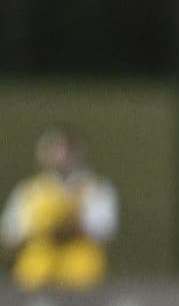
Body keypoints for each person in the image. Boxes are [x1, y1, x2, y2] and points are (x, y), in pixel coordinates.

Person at [0, 125, 119, 291]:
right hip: (36, 278)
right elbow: (10, 238)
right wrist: (43, 230)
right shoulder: (29, 191)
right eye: (54, 149)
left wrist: (70, 224)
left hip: (81, 278)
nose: (61, 156)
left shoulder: (95, 189)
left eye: (67, 150)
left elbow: (104, 231)